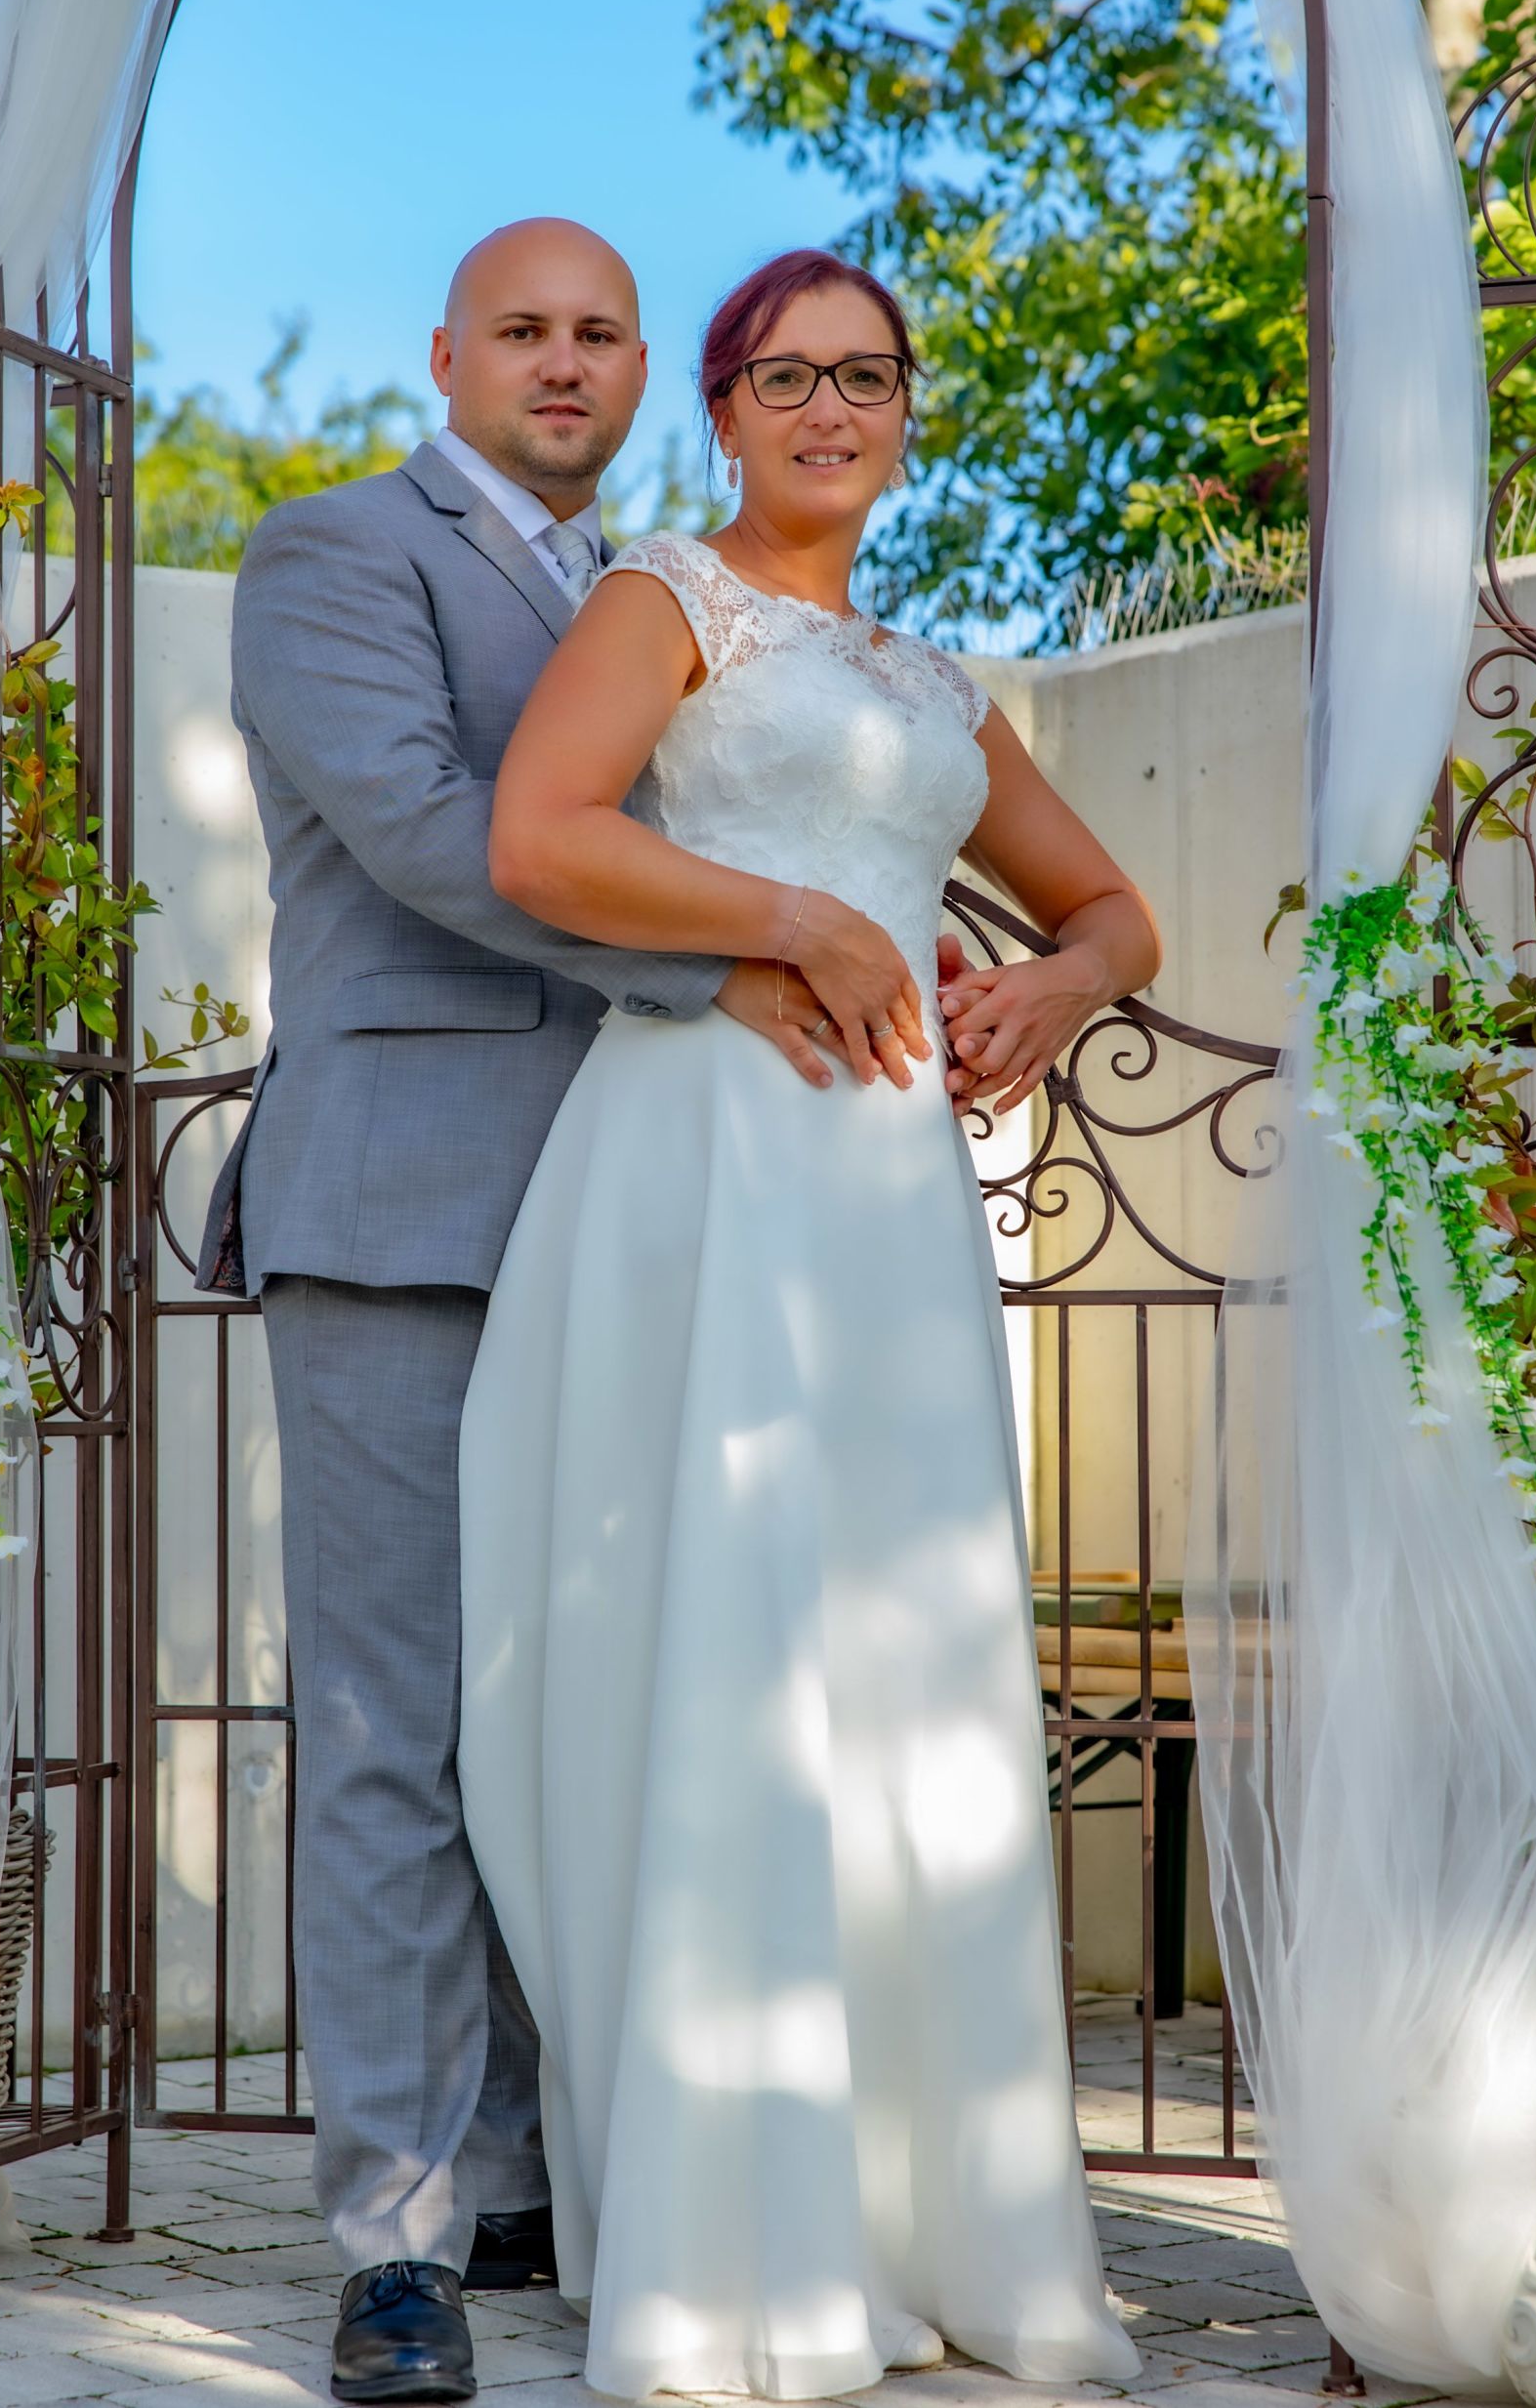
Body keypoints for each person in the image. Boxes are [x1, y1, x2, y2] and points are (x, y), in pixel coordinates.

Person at [195, 221, 918, 2408]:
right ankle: (401, 2238)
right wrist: (738, 962)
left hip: (645, 1217)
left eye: (602, 331)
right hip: (405, 1208)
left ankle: (538, 2173)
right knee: (400, 1727)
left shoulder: (662, 591)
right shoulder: (334, 552)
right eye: (524, 331)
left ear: (644, 370)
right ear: (447, 357)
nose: (564, 362)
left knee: (593, 1701)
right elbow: (444, 837)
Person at [458, 246, 1160, 2403]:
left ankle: (938, 2218)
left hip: (888, 1214)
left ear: (909, 409)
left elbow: (1116, 909)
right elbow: (538, 838)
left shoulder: (937, 685)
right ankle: (736, 2236)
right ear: (725, 412)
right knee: (732, 1646)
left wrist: (1053, 984)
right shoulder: (668, 600)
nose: (830, 410)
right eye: (787, 378)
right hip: (708, 1166)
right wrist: (800, 918)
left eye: (867, 376)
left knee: (901, 1666)